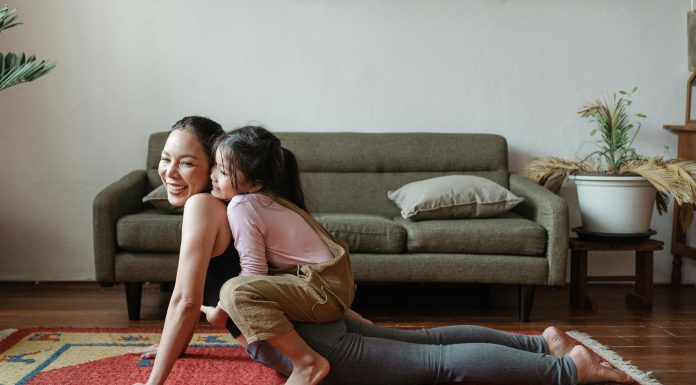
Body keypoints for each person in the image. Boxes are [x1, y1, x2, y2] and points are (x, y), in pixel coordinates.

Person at [131, 117, 632, 385]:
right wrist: (177, 342)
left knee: (436, 367)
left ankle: (568, 370)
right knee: (429, 344)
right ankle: (542, 344)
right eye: (165, 159)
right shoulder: (243, 201)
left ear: (215, 167)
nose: (171, 172)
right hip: (312, 318)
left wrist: (156, 382)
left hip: (311, 340)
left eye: (188, 162)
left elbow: (188, 299)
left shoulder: (208, 207)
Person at [201, 126, 360, 385]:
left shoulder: (242, 205)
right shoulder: (267, 199)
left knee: (235, 291)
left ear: (254, 183)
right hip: (333, 287)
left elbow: (253, 273)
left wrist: (221, 312)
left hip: (322, 292)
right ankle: (355, 321)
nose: (212, 175)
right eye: (215, 166)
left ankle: (306, 364)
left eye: (223, 171)